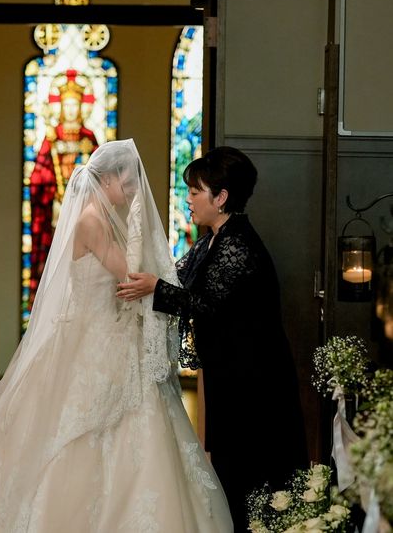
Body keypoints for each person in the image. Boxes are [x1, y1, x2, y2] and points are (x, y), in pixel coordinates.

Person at [0, 139, 233, 533]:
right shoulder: (92, 221)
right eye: (128, 186)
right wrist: (147, 242)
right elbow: (129, 275)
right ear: (107, 180)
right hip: (94, 339)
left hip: (113, 335)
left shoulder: (106, 220)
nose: (132, 194)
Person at [118, 146, 308, 530]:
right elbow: (176, 277)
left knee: (250, 473)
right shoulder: (212, 240)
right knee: (229, 467)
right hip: (231, 377)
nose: (188, 199)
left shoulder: (238, 246)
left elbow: (205, 304)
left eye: (195, 191)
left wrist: (154, 287)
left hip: (254, 383)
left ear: (220, 198)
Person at [28, 70, 98, 308]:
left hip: (84, 208)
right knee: (56, 253)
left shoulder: (89, 137)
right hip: (56, 207)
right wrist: (52, 191)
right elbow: (37, 176)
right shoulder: (52, 137)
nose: (70, 110)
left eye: (74, 105)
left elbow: (101, 175)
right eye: (66, 105)